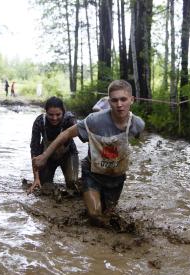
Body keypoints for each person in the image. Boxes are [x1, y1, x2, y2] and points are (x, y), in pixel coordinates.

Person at [33, 80, 145, 226]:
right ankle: (85, 189)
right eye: (114, 100)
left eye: (123, 99)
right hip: (92, 173)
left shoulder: (138, 124)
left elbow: (137, 141)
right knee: (95, 215)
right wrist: (44, 156)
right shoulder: (95, 120)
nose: (119, 104)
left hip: (116, 177)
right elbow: (66, 134)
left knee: (109, 215)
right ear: (109, 101)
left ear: (132, 100)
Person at [28, 97, 79, 194]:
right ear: (45, 112)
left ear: (63, 112)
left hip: (68, 154)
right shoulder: (40, 122)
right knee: (44, 185)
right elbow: (34, 150)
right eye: (50, 115)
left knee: (73, 183)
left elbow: (83, 131)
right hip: (47, 158)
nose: (54, 118)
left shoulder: (69, 119)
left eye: (58, 114)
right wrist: (36, 178)